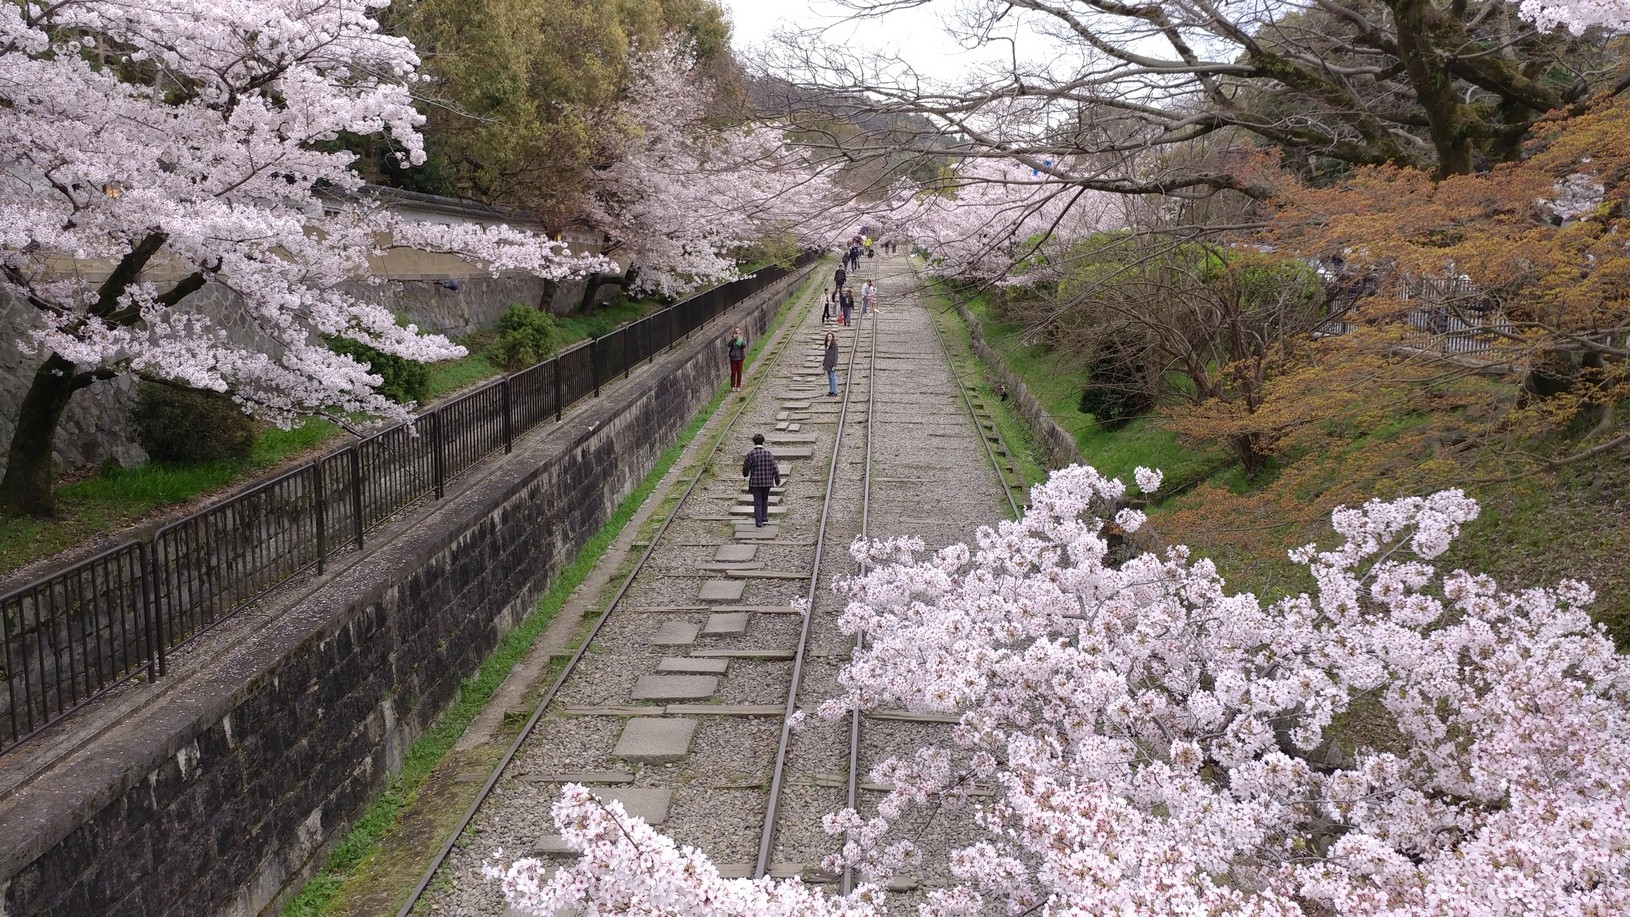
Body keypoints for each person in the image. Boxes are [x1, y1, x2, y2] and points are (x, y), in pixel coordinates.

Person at [741, 433, 781, 527]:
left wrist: (745, 474)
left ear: (754, 442)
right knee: (765, 499)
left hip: (755, 483)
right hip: (767, 482)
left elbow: (746, 467)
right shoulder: (768, 454)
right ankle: (764, 518)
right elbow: (774, 468)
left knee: (757, 501)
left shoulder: (751, 454)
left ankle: (758, 522)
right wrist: (777, 479)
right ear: (763, 442)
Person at [726, 326, 746, 392]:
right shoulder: (732, 338)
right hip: (733, 358)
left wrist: (740, 340)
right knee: (733, 372)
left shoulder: (741, 337)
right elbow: (729, 345)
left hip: (740, 358)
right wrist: (733, 339)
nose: (736, 332)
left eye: (737, 330)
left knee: (739, 372)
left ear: (740, 331)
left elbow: (744, 345)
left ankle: (738, 386)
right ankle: (732, 386)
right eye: (735, 330)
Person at [822, 332, 839, 396]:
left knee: (832, 377)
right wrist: (824, 363)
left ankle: (834, 391)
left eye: (830, 336)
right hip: (827, 363)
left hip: (832, 363)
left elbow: (836, 355)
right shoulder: (826, 344)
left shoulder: (835, 345)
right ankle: (831, 390)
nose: (829, 337)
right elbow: (826, 355)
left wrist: (835, 365)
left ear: (832, 337)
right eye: (828, 336)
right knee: (829, 377)